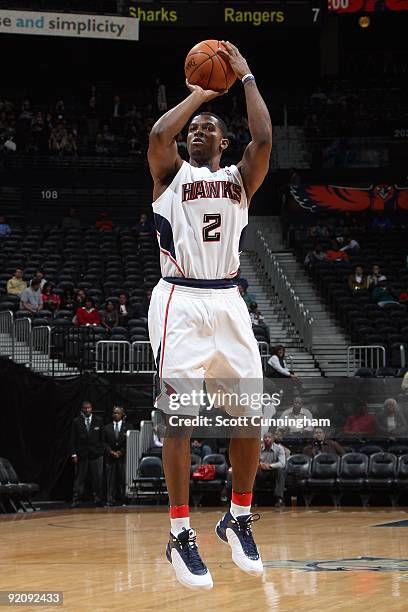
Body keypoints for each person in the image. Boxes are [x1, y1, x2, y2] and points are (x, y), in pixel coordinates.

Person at [147, 40, 272, 588]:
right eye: (194, 128)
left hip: (227, 299)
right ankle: (179, 532)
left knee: (251, 416)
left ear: (225, 142)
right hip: (179, 298)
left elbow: (264, 137)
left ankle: (237, 516)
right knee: (179, 418)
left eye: (209, 127)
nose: (198, 131)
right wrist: (198, 94)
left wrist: (244, 77)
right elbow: (157, 136)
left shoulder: (241, 182)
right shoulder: (170, 175)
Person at [71, 401, 104, 507]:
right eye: (85, 408)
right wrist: (74, 454)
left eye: (88, 408)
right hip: (82, 455)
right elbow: (72, 440)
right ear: (82, 409)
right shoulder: (76, 421)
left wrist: (100, 452)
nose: (87, 410)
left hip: (96, 455)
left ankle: (98, 499)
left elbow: (102, 439)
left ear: (91, 408)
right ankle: (76, 500)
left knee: (97, 478)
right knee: (79, 479)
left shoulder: (98, 421)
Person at [104, 406, 133, 506]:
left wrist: (121, 452)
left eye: (118, 413)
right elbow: (104, 442)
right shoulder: (107, 427)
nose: (116, 415)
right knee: (110, 480)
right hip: (110, 457)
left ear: (122, 414)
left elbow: (129, 441)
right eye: (114, 413)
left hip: (123, 458)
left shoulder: (128, 427)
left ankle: (123, 500)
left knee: (122, 479)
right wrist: (111, 451)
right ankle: (110, 500)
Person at [255, 432, 286, 507]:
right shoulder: (258, 448)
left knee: (280, 471)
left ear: (273, 439)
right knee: (253, 473)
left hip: (273, 471)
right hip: (261, 471)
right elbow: (252, 462)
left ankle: (279, 499)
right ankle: (252, 500)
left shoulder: (279, 448)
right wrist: (260, 465)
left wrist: (270, 465)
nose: (267, 439)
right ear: (263, 439)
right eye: (265, 437)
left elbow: (282, 464)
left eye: (269, 437)